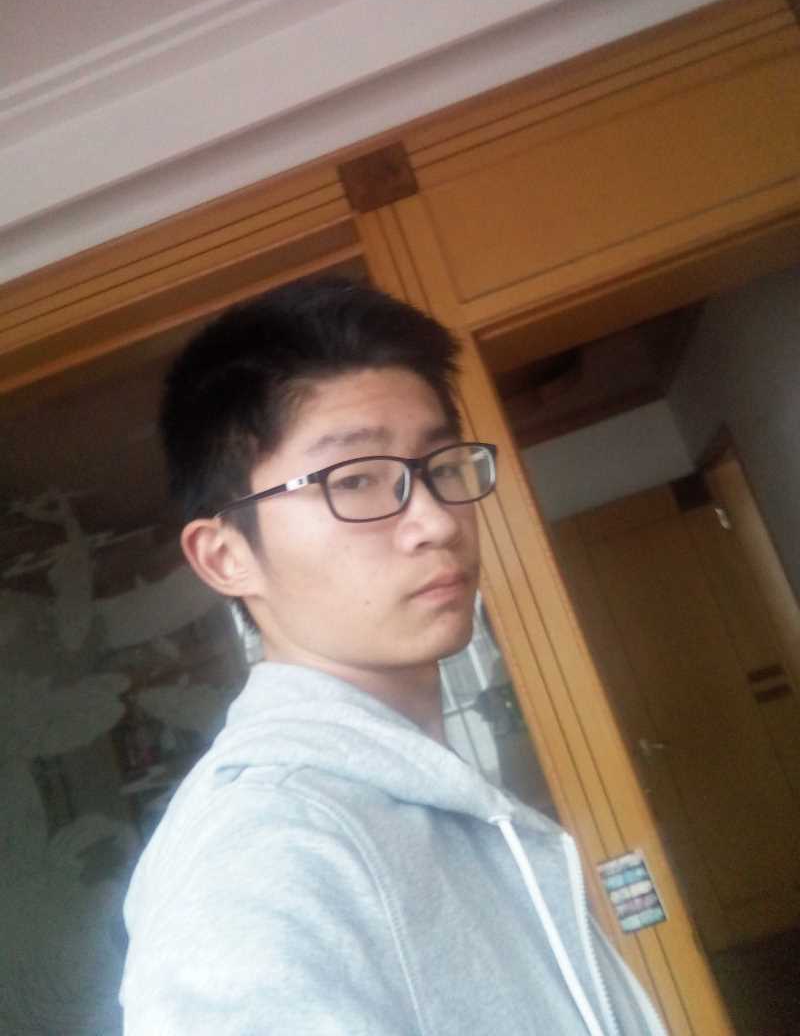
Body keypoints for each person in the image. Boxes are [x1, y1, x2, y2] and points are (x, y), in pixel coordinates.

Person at [120, 278, 666, 1035]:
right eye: (355, 481)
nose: (437, 521)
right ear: (226, 557)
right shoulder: (264, 850)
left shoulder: (409, 789)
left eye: (441, 467)